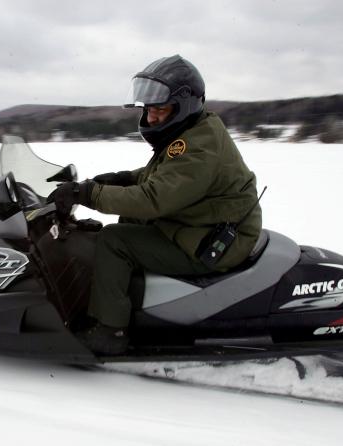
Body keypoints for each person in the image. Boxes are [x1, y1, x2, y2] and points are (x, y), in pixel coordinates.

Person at [48, 54, 262, 354]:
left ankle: (111, 331)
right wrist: (119, 179)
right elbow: (163, 177)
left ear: (183, 105)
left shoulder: (199, 146)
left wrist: (89, 194)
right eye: (148, 110)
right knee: (129, 221)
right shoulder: (195, 131)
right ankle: (135, 305)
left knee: (113, 240)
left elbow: (154, 199)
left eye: (159, 110)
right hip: (202, 226)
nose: (151, 119)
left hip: (214, 241)